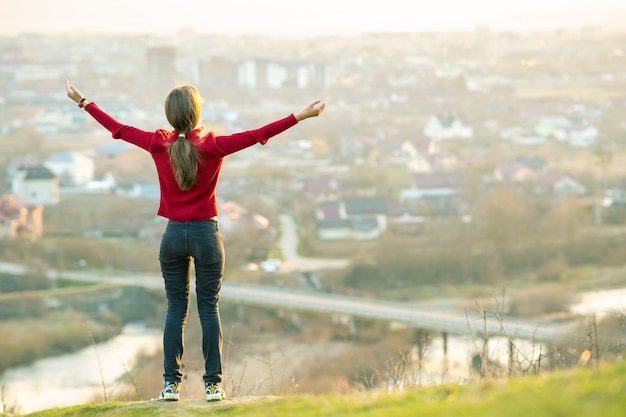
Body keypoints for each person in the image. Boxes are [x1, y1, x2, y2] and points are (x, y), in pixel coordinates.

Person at [65, 80, 326, 401]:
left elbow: (117, 129)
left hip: (173, 235)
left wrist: (82, 101)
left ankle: (171, 385)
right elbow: (259, 133)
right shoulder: (213, 146)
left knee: (176, 309)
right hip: (206, 235)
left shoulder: (157, 144)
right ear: (197, 112)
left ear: (170, 115)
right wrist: (300, 116)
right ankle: (213, 386)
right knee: (208, 309)